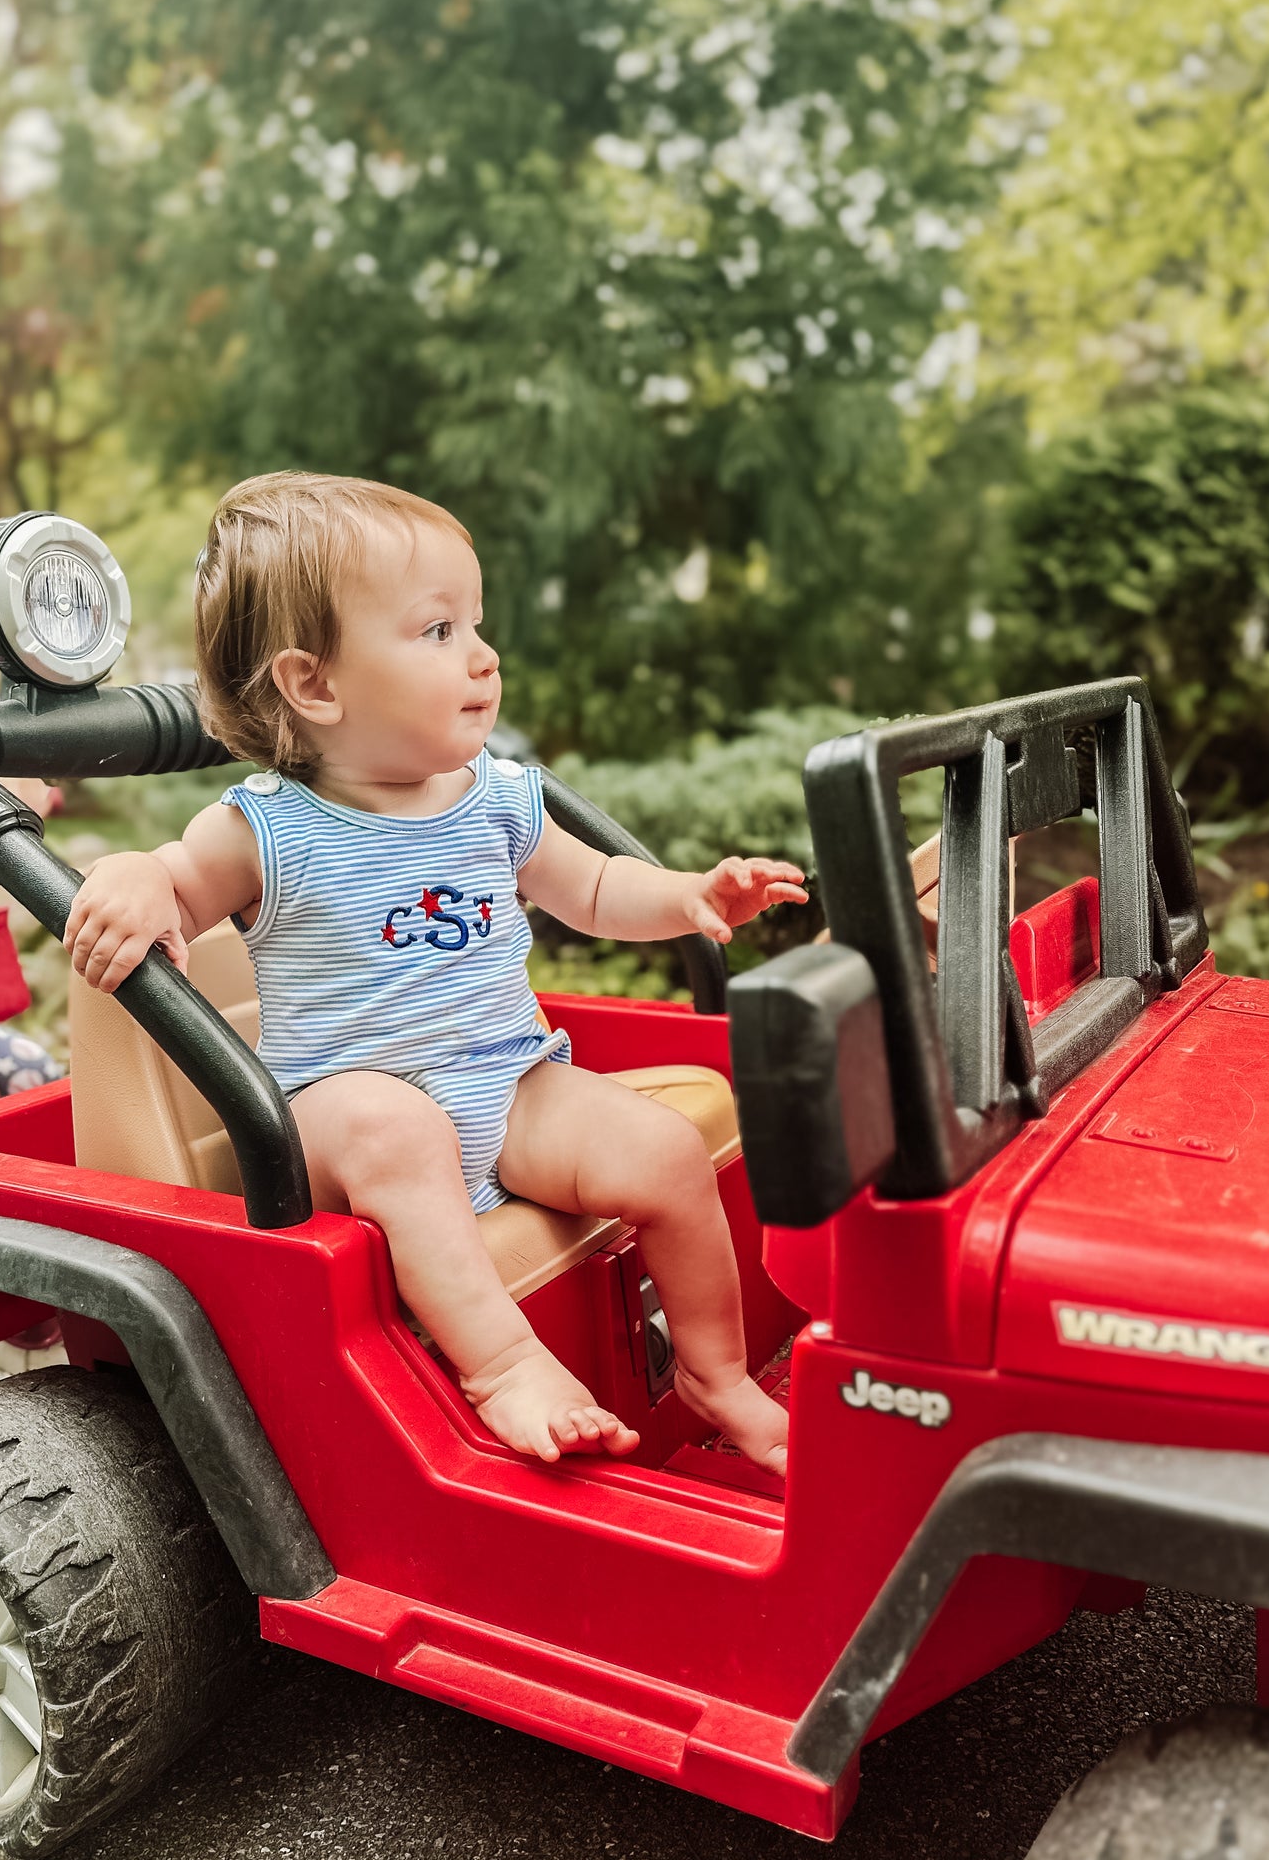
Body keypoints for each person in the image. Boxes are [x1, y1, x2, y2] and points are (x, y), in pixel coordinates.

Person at [63, 473, 807, 1473]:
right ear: (314, 684)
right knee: (394, 1126)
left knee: (665, 1153)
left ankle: (714, 1377)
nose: (483, 656)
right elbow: (171, 881)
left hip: (503, 1083)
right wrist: (132, 878)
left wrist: (684, 898)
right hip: (336, 1115)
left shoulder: (493, 798)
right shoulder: (263, 830)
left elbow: (590, 889)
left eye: (476, 623)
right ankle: (502, 1367)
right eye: (437, 631)